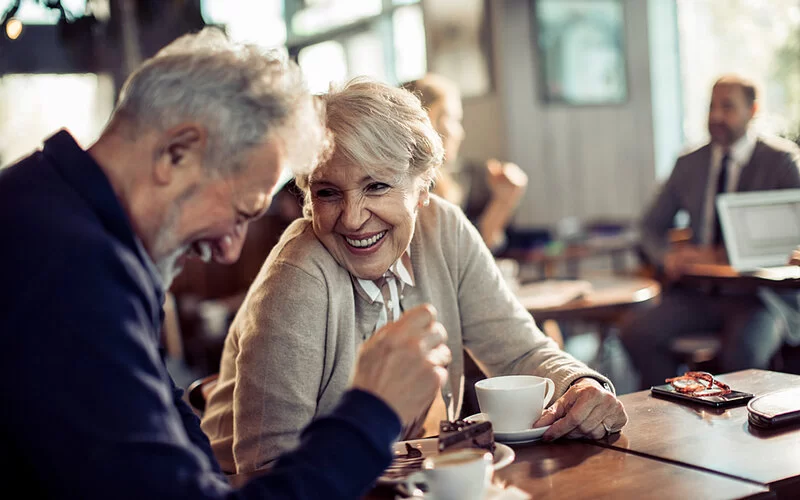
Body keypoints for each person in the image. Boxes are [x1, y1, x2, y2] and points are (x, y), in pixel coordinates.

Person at [0, 29, 452, 500]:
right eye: (240, 213)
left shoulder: (57, 216)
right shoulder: (68, 270)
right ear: (177, 153)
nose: (231, 251)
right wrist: (373, 410)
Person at [201, 78, 627, 473]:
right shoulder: (298, 275)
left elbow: (518, 350)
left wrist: (581, 384)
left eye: (376, 187)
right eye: (328, 192)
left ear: (423, 187)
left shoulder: (444, 228)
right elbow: (266, 465)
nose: (352, 219)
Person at [621, 74, 800, 389]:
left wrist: (722, 254)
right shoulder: (690, 163)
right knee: (638, 333)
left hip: (760, 297)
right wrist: (666, 257)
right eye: (711, 106)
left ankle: (745, 431)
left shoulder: (781, 162)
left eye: (727, 107)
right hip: (700, 293)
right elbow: (649, 226)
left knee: (741, 355)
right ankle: (672, 411)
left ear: (753, 110)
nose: (716, 116)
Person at [402, 73, 528, 253]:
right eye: (453, 119)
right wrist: (503, 203)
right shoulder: (412, 190)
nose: (460, 133)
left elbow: (468, 256)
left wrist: (504, 200)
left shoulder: (444, 183)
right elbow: (456, 258)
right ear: (428, 121)